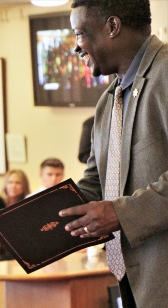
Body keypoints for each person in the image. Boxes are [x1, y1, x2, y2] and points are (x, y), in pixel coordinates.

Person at [58, 1, 168, 307]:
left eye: (80, 34)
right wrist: (33, 221)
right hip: (132, 280)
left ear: (113, 26)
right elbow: (96, 182)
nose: (77, 48)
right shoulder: (108, 102)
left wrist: (120, 213)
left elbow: (117, 207)